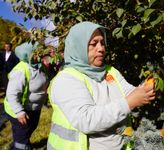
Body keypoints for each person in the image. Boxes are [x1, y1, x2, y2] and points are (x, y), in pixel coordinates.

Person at [47, 21, 156, 150]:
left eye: (102, 43)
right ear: (78, 47)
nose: (101, 48)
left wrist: (151, 87)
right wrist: (128, 103)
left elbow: (130, 93)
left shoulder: (110, 71)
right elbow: (86, 120)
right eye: (93, 44)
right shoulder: (67, 79)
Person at [3, 42, 49, 150]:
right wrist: (19, 112)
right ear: (28, 54)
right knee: (22, 138)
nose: (40, 54)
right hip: (20, 110)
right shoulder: (21, 70)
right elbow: (12, 94)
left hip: (34, 109)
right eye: (37, 52)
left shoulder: (40, 66)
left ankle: (18, 143)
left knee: (28, 130)